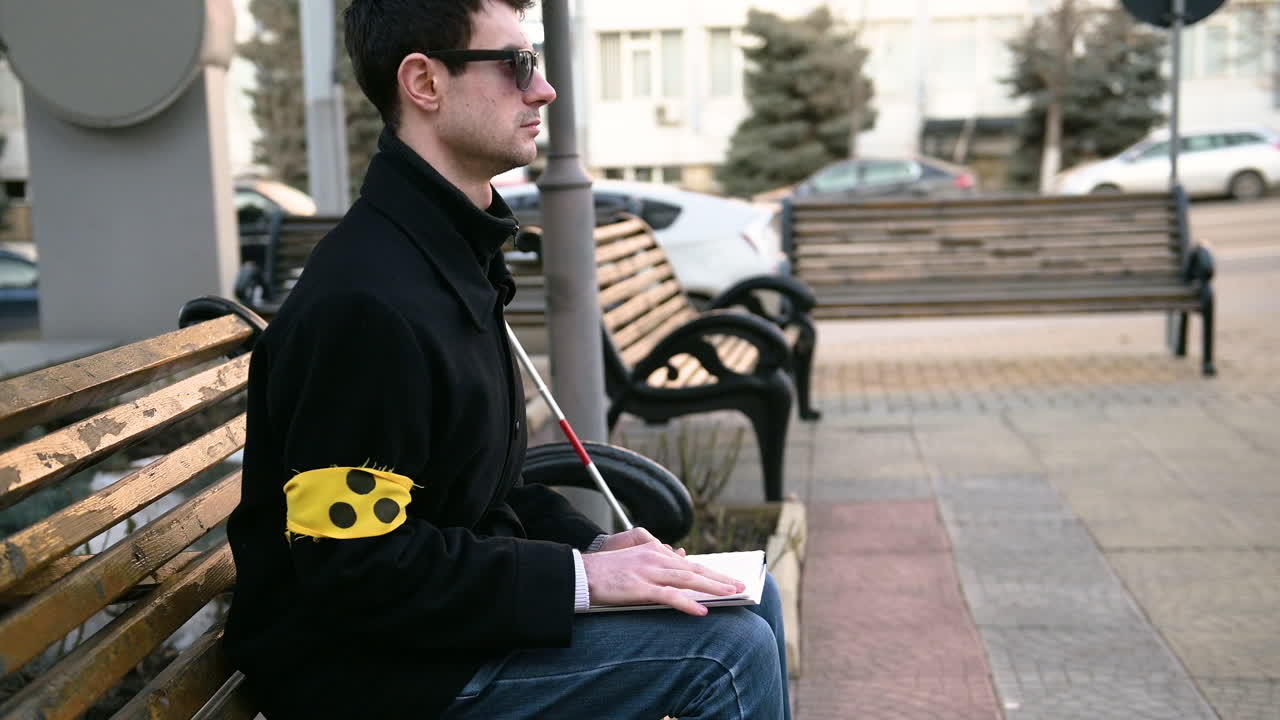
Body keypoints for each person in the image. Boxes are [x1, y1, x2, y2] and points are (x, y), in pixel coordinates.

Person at [222, 1, 790, 718]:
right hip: (367, 673)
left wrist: (600, 545)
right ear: (424, 83)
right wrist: (578, 578)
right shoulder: (366, 304)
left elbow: (472, 491)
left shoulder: (443, 257)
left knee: (747, 592)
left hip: (432, 635)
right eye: (517, 63)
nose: (543, 89)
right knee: (725, 653)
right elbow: (354, 567)